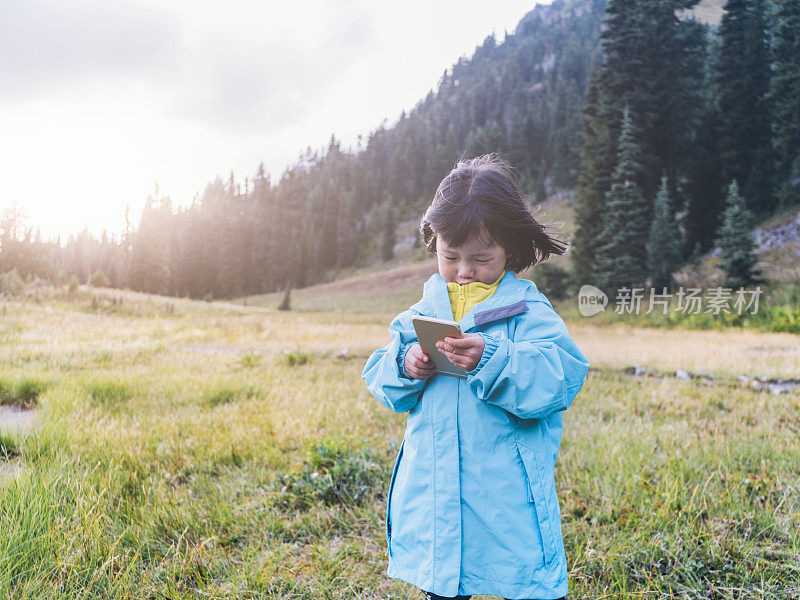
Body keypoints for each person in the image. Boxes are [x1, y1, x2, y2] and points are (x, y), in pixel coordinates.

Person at [361, 154, 590, 600]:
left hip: (506, 495)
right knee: (446, 583)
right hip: (437, 492)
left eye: (481, 259)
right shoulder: (421, 313)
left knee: (523, 577)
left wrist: (493, 358)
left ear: (510, 251)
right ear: (435, 246)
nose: (464, 272)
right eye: (451, 257)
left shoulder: (529, 311)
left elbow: (561, 376)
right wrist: (407, 364)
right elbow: (381, 379)